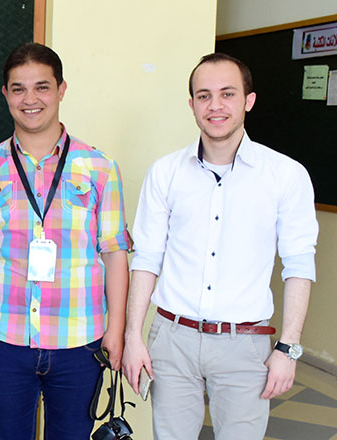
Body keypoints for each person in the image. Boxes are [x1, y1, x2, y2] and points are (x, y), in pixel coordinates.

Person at [122, 53, 318, 439]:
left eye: (227, 94)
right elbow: (146, 258)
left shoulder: (286, 175)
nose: (215, 106)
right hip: (172, 339)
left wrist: (288, 348)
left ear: (249, 100)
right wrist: (133, 336)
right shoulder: (165, 173)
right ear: (192, 104)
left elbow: (298, 265)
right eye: (204, 95)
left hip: (245, 344)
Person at [0, 43, 131, 439]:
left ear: (61, 90)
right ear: (5, 94)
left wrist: (117, 330)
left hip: (81, 341)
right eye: (19, 88)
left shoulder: (99, 168)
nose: (30, 99)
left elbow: (114, 254)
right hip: (5, 341)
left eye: (42, 87)